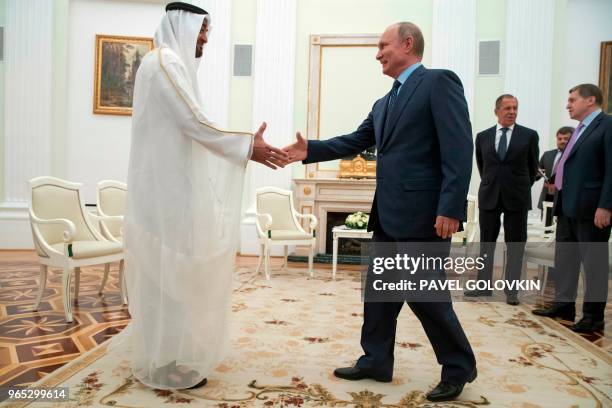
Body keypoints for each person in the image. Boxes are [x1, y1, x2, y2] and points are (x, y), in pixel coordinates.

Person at [283, 22, 476, 402]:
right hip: (387, 214)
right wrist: (311, 151)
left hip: (425, 214)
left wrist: (450, 206)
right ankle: (375, 359)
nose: (377, 53)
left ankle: (459, 367)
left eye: (382, 45)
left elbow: (458, 147)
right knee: (380, 293)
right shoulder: (383, 103)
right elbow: (356, 140)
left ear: (407, 43)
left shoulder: (439, 82)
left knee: (425, 294)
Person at [124, 2, 287, 390]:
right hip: (163, 195)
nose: (205, 39)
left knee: (174, 274)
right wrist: (249, 146)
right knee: (168, 276)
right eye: (202, 31)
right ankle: (164, 362)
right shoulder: (164, 64)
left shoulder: (167, 64)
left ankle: (170, 352)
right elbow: (193, 122)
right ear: (181, 26)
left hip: (170, 190)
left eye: (208, 32)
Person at [532, 84, 611, 333]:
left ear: (590, 100)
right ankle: (564, 305)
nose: (568, 104)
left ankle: (593, 316)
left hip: (591, 209)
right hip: (566, 205)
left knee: (593, 264)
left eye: (572, 100)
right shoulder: (580, 129)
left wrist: (606, 206)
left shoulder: (607, 125)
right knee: (565, 259)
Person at [465, 95, 539, 305]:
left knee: (515, 244)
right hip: (490, 196)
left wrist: (518, 187)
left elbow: (533, 168)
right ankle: (483, 287)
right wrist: (494, 184)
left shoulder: (529, 136)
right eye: (507, 108)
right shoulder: (483, 137)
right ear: (496, 111)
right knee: (486, 244)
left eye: (515, 108)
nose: (512, 112)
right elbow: (483, 166)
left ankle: (512, 291)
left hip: (517, 197)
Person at [536, 127, 573, 226]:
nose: (562, 141)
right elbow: (538, 173)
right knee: (546, 227)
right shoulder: (547, 154)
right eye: (559, 139)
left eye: (566, 139)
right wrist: (535, 172)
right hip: (548, 194)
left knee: (564, 229)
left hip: (566, 197)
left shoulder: (575, 155)